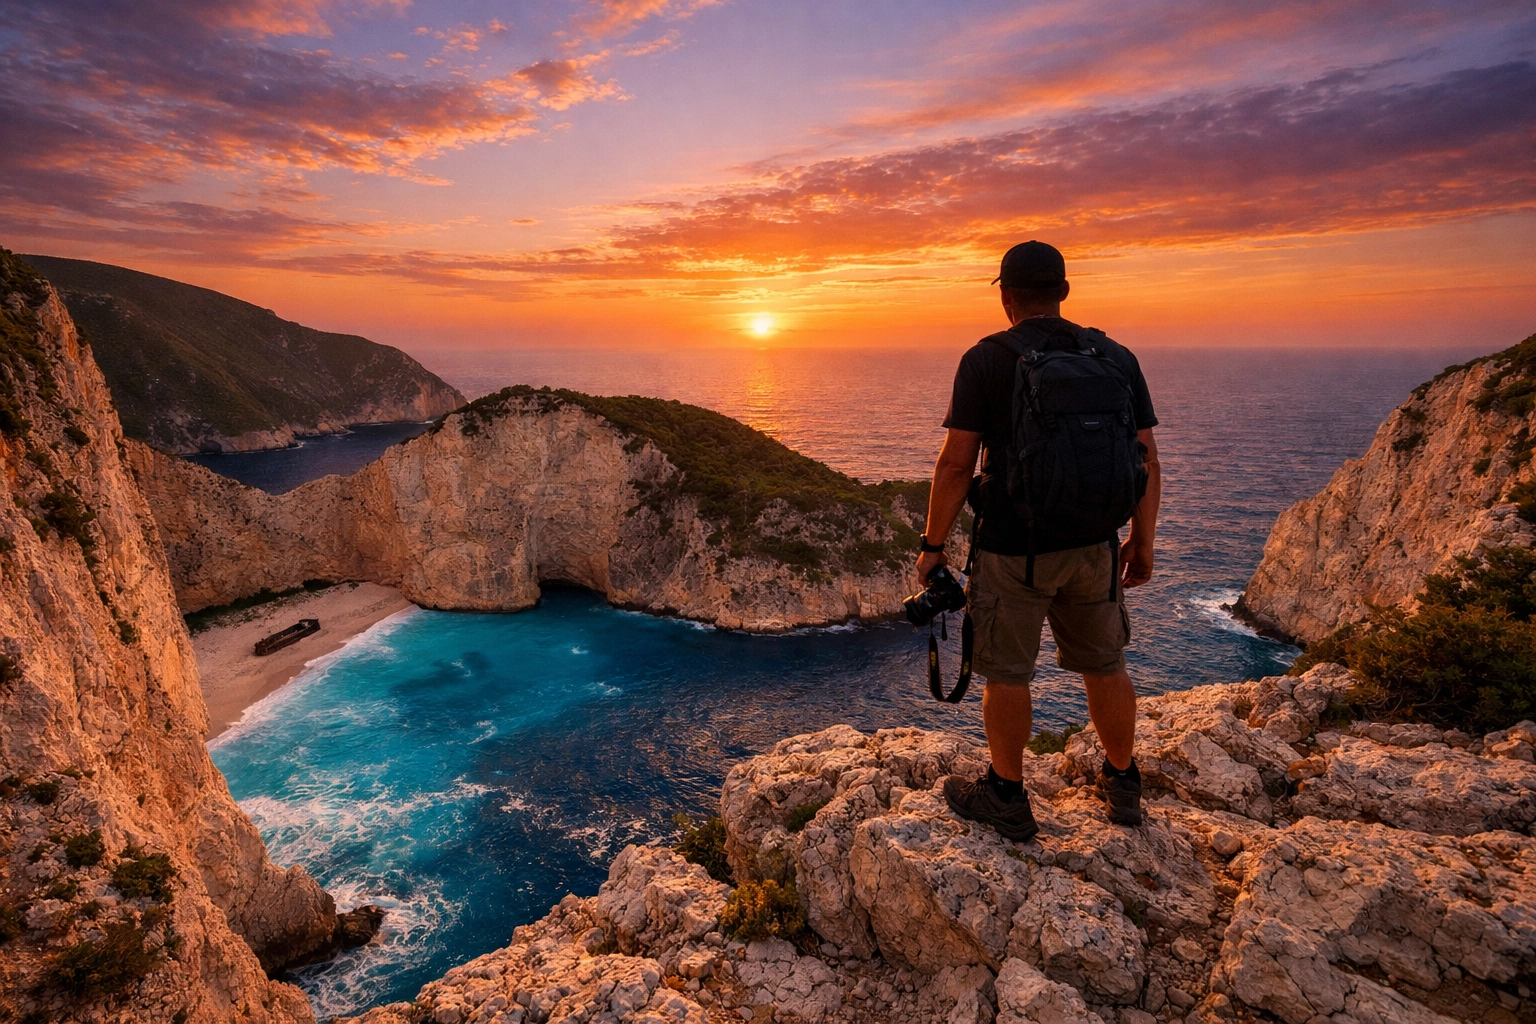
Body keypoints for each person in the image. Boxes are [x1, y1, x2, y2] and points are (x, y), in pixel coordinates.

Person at [915, 240, 1161, 841]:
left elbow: (956, 464)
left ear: (1006, 296)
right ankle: (1123, 782)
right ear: (1064, 292)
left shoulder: (986, 359)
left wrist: (932, 545)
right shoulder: (1115, 356)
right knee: (1106, 664)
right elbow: (1147, 458)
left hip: (1013, 551)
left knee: (1007, 674)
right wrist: (1142, 540)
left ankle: (1006, 794)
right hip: (1095, 546)